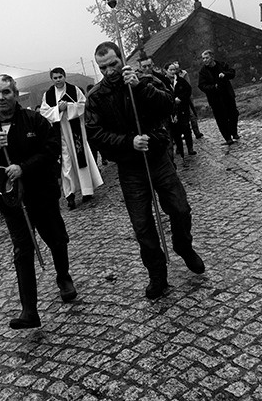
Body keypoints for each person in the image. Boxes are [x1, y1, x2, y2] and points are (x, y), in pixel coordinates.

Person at [86, 42, 206, 300]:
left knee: (180, 208)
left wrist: (140, 87)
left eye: (113, 64)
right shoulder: (96, 96)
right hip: (130, 167)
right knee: (142, 225)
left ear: (122, 58)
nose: (109, 71)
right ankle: (157, 273)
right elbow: (94, 134)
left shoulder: (146, 80)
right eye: (103, 67)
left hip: (158, 157)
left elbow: (169, 105)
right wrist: (127, 142)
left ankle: (183, 246)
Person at [0, 74, 77, 329]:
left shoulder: (34, 120)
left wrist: (24, 167)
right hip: (11, 201)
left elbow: (51, 150)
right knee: (22, 250)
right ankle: (29, 310)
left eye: (6, 92)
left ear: (15, 94)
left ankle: (63, 277)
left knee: (56, 238)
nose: (1, 97)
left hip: (41, 194)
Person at [40, 67, 103, 210]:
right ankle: (70, 195)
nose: (58, 80)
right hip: (60, 133)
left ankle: (87, 190)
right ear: (52, 79)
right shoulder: (48, 95)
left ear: (64, 76)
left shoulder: (74, 90)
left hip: (75, 131)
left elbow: (83, 105)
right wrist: (58, 109)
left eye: (60, 77)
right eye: (55, 78)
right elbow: (43, 112)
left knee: (81, 159)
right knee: (66, 164)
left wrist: (68, 107)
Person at [197, 50, 239, 145]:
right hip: (215, 99)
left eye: (207, 58)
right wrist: (213, 87)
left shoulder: (222, 65)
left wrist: (225, 74)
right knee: (221, 119)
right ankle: (227, 138)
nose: (205, 60)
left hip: (227, 95)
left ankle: (234, 132)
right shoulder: (203, 71)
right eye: (203, 58)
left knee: (233, 114)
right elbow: (201, 85)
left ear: (212, 57)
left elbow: (232, 73)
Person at [164, 60, 196, 159]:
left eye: (174, 70)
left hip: (183, 108)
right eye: (170, 70)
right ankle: (179, 147)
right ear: (165, 71)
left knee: (186, 128)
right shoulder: (164, 82)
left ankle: (190, 148)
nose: (173, 72)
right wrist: (172, 100)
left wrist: (181, 98)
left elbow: (188, 91)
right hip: (171, 111)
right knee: (175, 130)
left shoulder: (181, 80)